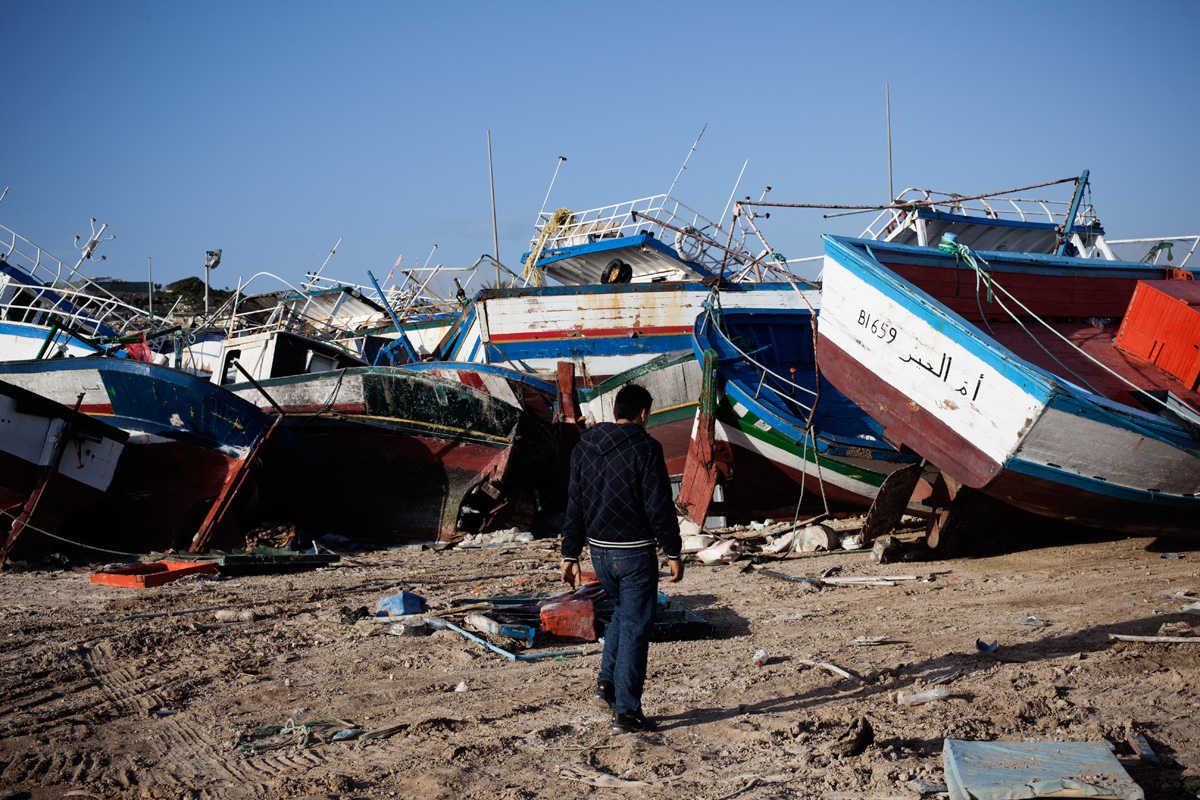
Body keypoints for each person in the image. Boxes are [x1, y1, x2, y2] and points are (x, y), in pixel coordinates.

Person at [561, 383, 683, 734]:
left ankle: (606, 685)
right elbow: (659, 506)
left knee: (623, 617)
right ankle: (626, 713)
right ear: (644, 413)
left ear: (616, 411)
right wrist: (672, 552)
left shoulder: (584, 446)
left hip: (599, 554)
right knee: (634, 628)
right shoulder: (646, 447)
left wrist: (570, 553)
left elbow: (576, 503)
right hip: (635, 556)